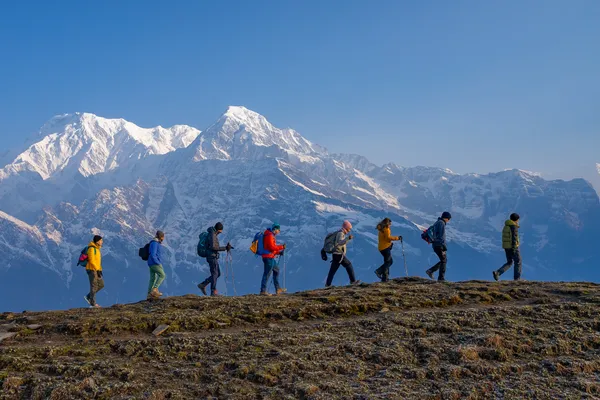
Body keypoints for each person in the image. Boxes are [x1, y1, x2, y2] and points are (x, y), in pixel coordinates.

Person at [198, 222, 232, 296]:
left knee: (217, 273)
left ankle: (203, 284)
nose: (220, 233)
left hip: (212, 256)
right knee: (215, 274)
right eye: (220, 232)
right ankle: (213, 292)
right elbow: (213, 247)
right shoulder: (213, 235)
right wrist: (225, 248)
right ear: (218, 230)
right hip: (212, 256)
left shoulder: (212, 233)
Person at [325, 220, 360, 287]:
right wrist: (348, 238)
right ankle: (353, 281)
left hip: (335, 254)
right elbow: (340, 243)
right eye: (349, 228)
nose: (349, 230)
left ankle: (328, 284)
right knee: (349, 265)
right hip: (339, 254)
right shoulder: (341, 233)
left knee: (332, 271)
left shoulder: (340, 232)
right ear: (346, 227)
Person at [493, 213, 522, 281]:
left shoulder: (506, 226)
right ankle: (517, 279)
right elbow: (514, 238)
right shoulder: (513, 227)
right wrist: (514, 248)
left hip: (506, 247)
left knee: (509, 262)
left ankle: (498, 272)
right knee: (518, 261)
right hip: (513, 247)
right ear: (516, 220)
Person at [260, 223, 286, 296]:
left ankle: (278, 289)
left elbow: (271, 248)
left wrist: (278, 253)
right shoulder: (270, 236)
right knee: (267, 273)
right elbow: (272, 247)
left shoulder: (270, 235)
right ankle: (263, 291)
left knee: (276, 270)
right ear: (275, 229)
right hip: (268, 257)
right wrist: (281, 247)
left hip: (270, 256)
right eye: (278, 230)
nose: (279, 231)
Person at [425, 212, 451, 282]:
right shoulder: (442, 223)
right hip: (440, 244)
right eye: (448, 219)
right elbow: (441, 236)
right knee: (444, 261)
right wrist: (444, 246)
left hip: (435, 245)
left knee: (443, 260)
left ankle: (431, 271)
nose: (448, 221)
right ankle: (440, 278)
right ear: (446, 218)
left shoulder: (436, 223)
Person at [374, 218, 402, 282]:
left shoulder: (381, 229)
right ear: (387, 223)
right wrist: (397, 238)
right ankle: (379, 271)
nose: (390, 225)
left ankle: (385, 278)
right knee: (389, 262)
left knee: (386, 262)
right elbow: (388, 238)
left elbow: (384, 239)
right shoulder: (386, 229)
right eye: (390, 224)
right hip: (385, 248)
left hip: (381, 247)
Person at [84, 235, 104, 308]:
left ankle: (89, 296)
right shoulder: (92, 249)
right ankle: (93, 304)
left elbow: (98, 262)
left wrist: (100, 270)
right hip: (92, 270)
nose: (102, 242)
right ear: (98, 241)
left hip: (97, 270)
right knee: (94, 286)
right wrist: (97, 269)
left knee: (101, 284)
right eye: (101, 240)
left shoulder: (97, 249)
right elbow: (92, 260)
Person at [147, 231, 167, 299]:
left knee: (153, 278)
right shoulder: (155, 243)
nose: (163, 239)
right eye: (163, 237)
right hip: (154, 263)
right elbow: (153, 254)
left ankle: (149, 294)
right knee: (162, 275)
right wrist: (158, 262)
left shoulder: (153, 242)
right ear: (161, 237)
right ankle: (155, 289)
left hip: (150, 263)